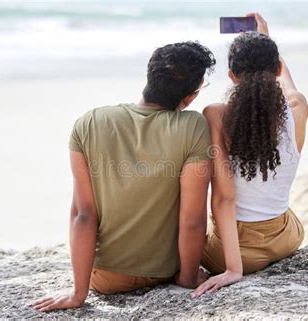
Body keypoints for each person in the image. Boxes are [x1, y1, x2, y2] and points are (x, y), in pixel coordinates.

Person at [32, 41, 216, 312]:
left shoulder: (89, 122)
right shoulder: (193, 126)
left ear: (150, 76)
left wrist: (78, 293)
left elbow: (83, 215)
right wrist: (187, 278)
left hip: (104, 279)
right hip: (163, 271)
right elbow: (192, 220)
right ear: (190, 96)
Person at [191, 13, 308, 298]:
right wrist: (265, 38)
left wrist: (233, 268)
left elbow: (224, 198)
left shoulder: (216, 116)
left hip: (238, 252)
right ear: (278, 66)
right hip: (287, 238)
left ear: (232, 76)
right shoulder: (298, 110)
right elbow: (287, 84)